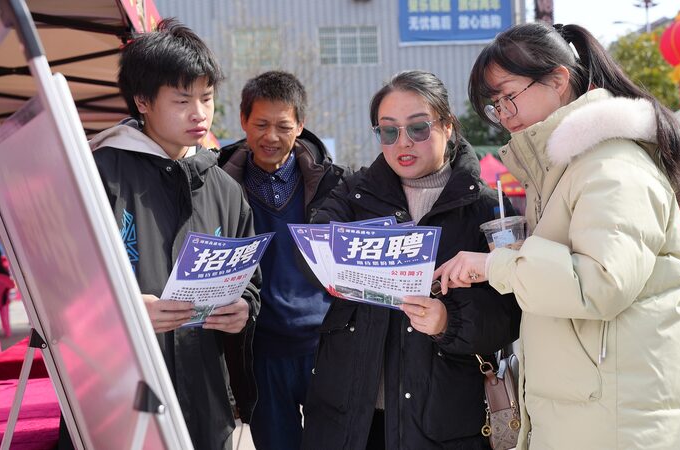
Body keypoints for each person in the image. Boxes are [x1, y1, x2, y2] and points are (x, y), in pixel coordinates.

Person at [435, 23, 680, 449]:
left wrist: (498, 264)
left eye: (508, 95)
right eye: (495, 105)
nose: (504, 114)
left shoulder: (610, 164)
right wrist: (517, 257)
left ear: (558, 80)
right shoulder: (565, 168)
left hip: (613, 408)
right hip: (589, 399)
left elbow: (601, 283)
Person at [300, 70, 521, 450]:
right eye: (389, 131)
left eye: (418, 128)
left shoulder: (486, 209)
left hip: (442, 420)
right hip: (349, 419)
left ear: (448, 126)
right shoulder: (354, 193)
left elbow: (509, 315)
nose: (403, 142)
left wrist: (447, 321)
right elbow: (313, 254)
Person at [85, 19, 260, 450]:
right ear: (143, 101)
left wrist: (243, 309)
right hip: (120, 396)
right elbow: (57, 289)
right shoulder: (97, 175)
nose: (200, 113)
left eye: (207, 97)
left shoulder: (226, 188)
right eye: (183, 100)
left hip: (206, 401)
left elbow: (250, 281)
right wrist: (126, 310)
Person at [219, 71, 349, 450]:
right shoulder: (219, 185)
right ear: (243, 121)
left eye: (282, 126)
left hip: (323, 346)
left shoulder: (335, 185)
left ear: (301, 125)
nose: (270, 137)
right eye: (260, 124)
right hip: (259, 352)